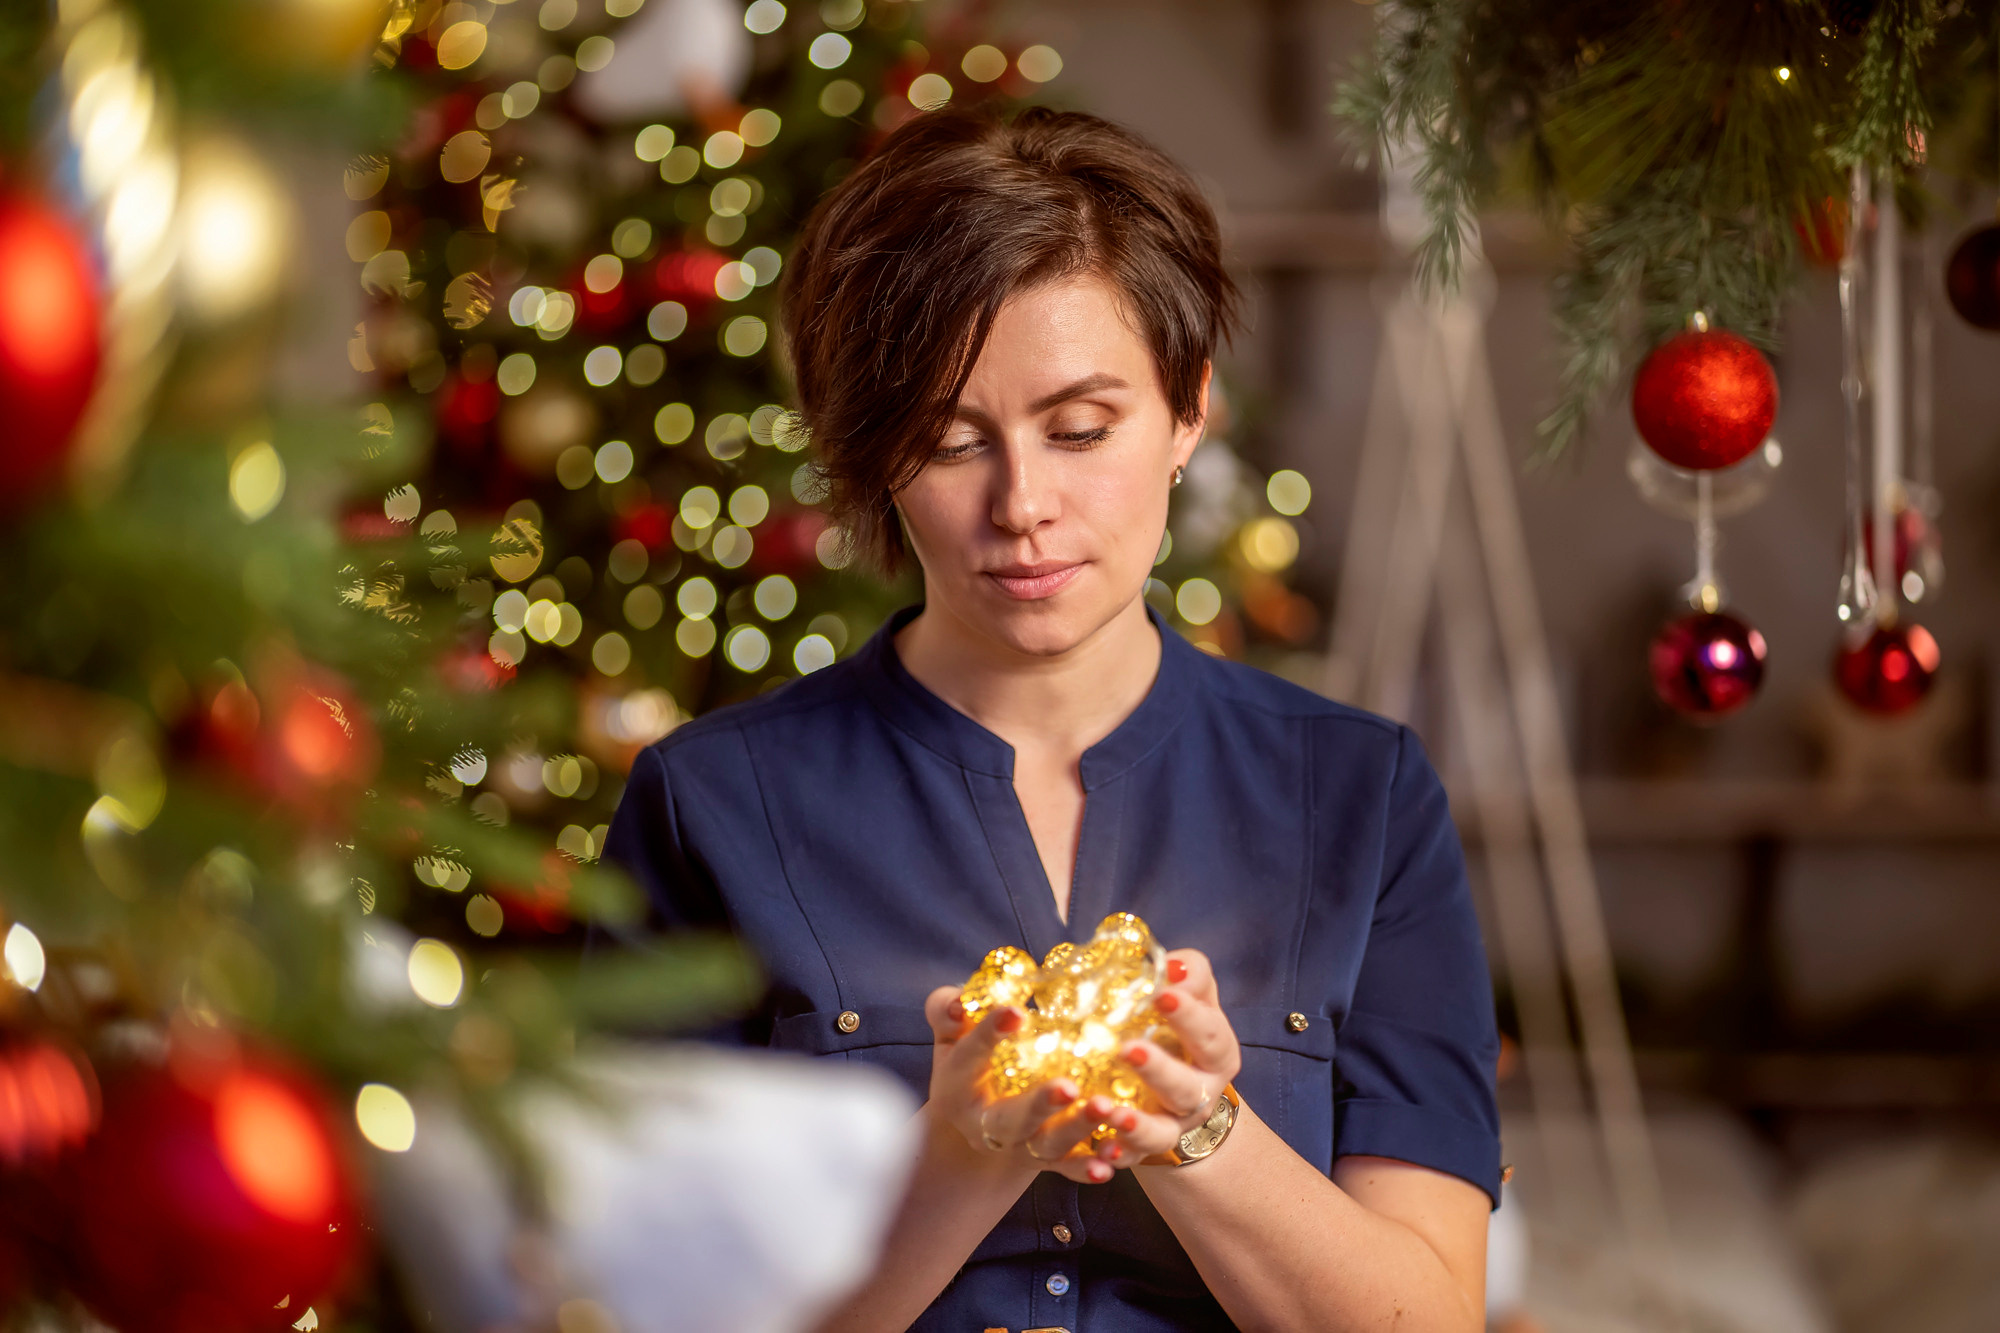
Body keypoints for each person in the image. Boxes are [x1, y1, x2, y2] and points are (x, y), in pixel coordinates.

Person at [603, 104, 1499, 1332]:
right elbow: (653, 1311)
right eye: (949, 440)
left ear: (1187, 411)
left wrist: (1193, 1130)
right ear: (872, 458)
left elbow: (1427, 1318)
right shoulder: (707, 805)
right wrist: (966, 1146)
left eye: (1080, 430)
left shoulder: (1361, 795)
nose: (1022, 503)